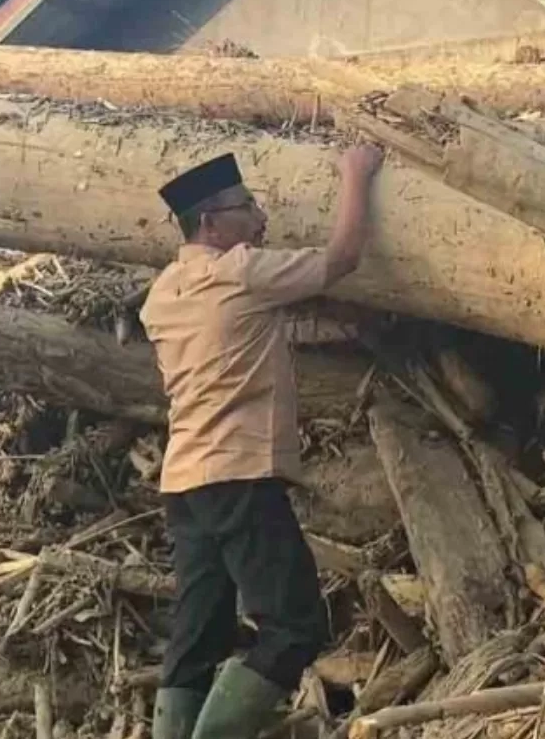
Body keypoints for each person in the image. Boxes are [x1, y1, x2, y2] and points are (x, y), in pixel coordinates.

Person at [141, 144, 384, 738]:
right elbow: (343, 257)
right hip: (238, 474)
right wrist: (356, 172)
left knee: (198, 634)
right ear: (212, 223)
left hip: (184, 483)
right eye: (247, 206)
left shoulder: (162, 294)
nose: (259, 216)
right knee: (296, 623)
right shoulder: (243, 271)